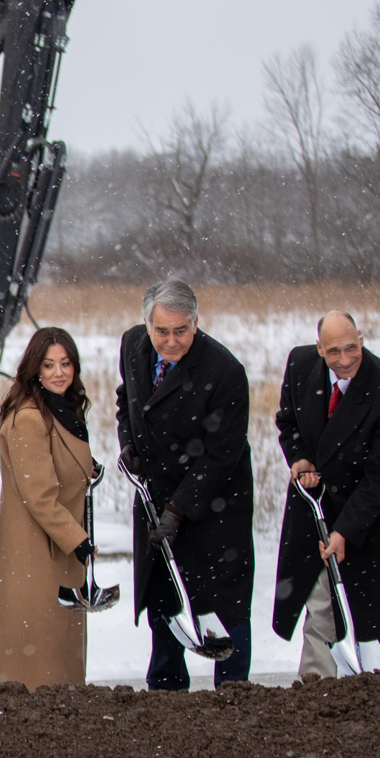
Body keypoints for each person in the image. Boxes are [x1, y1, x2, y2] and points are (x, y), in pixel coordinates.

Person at [115, 280, 255, 688]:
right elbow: (127, 400)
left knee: (222, 604)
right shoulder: (133, 346)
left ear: (196, 323)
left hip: (214, 506)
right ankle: (166, 692)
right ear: (147, 324)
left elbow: (222, 454)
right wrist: (129, 444)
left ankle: (233, 694)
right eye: (162, 331)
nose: (171, 341)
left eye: (181, 330)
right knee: (164, 596)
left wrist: (178, 510)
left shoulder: (224, 372)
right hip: (157, 497)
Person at [271, 311, 380, 676]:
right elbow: (288, 421)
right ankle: (317, 691)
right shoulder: (301, 365)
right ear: (319, 348)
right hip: (320, 508)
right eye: (334, 351)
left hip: (378, 517)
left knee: (379, 615)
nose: (345, 359)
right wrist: (300, 457)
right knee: (321, 603)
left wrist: (345, 531)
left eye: (352, 348)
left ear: (362, 339)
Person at [0, 329, 95, 688]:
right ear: (35, 370)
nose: (59, 373)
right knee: (35, 660)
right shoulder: (30, 418)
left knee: (56, 656)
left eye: (66, 364)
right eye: (49, 365)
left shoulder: (62, 408)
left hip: (54, 547)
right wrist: (77, 539)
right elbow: (39, 495)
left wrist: (87, 470)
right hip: (36, 551)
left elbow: (61, 464)